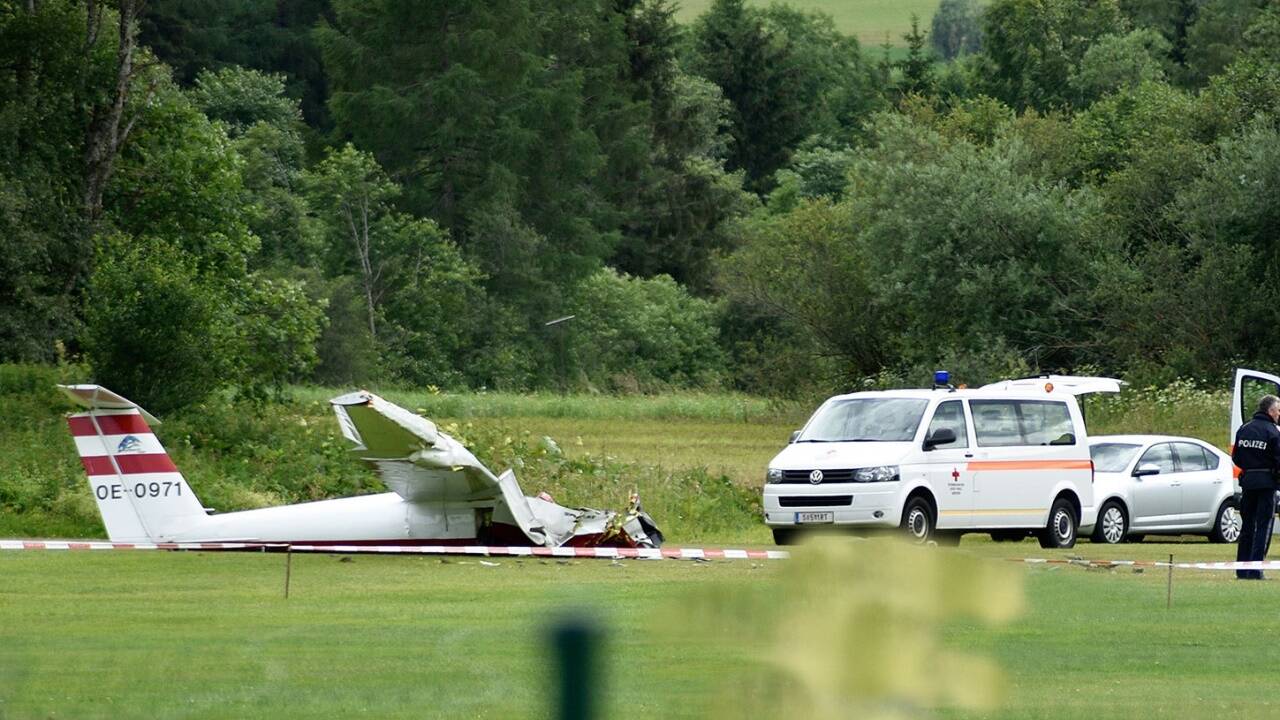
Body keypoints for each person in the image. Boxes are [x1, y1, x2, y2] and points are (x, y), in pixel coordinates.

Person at [1231, 394, 1280, 580]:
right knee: (1263, 527)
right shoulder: (1273, 432)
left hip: (1248, 484)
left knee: (1247, 527)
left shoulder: (1244, 429)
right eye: (1278, 410)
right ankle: (1256, 570)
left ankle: (1241, 570)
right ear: (1270, 410)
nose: (1279, 413)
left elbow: (1236, 457)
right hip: (1267, 484)